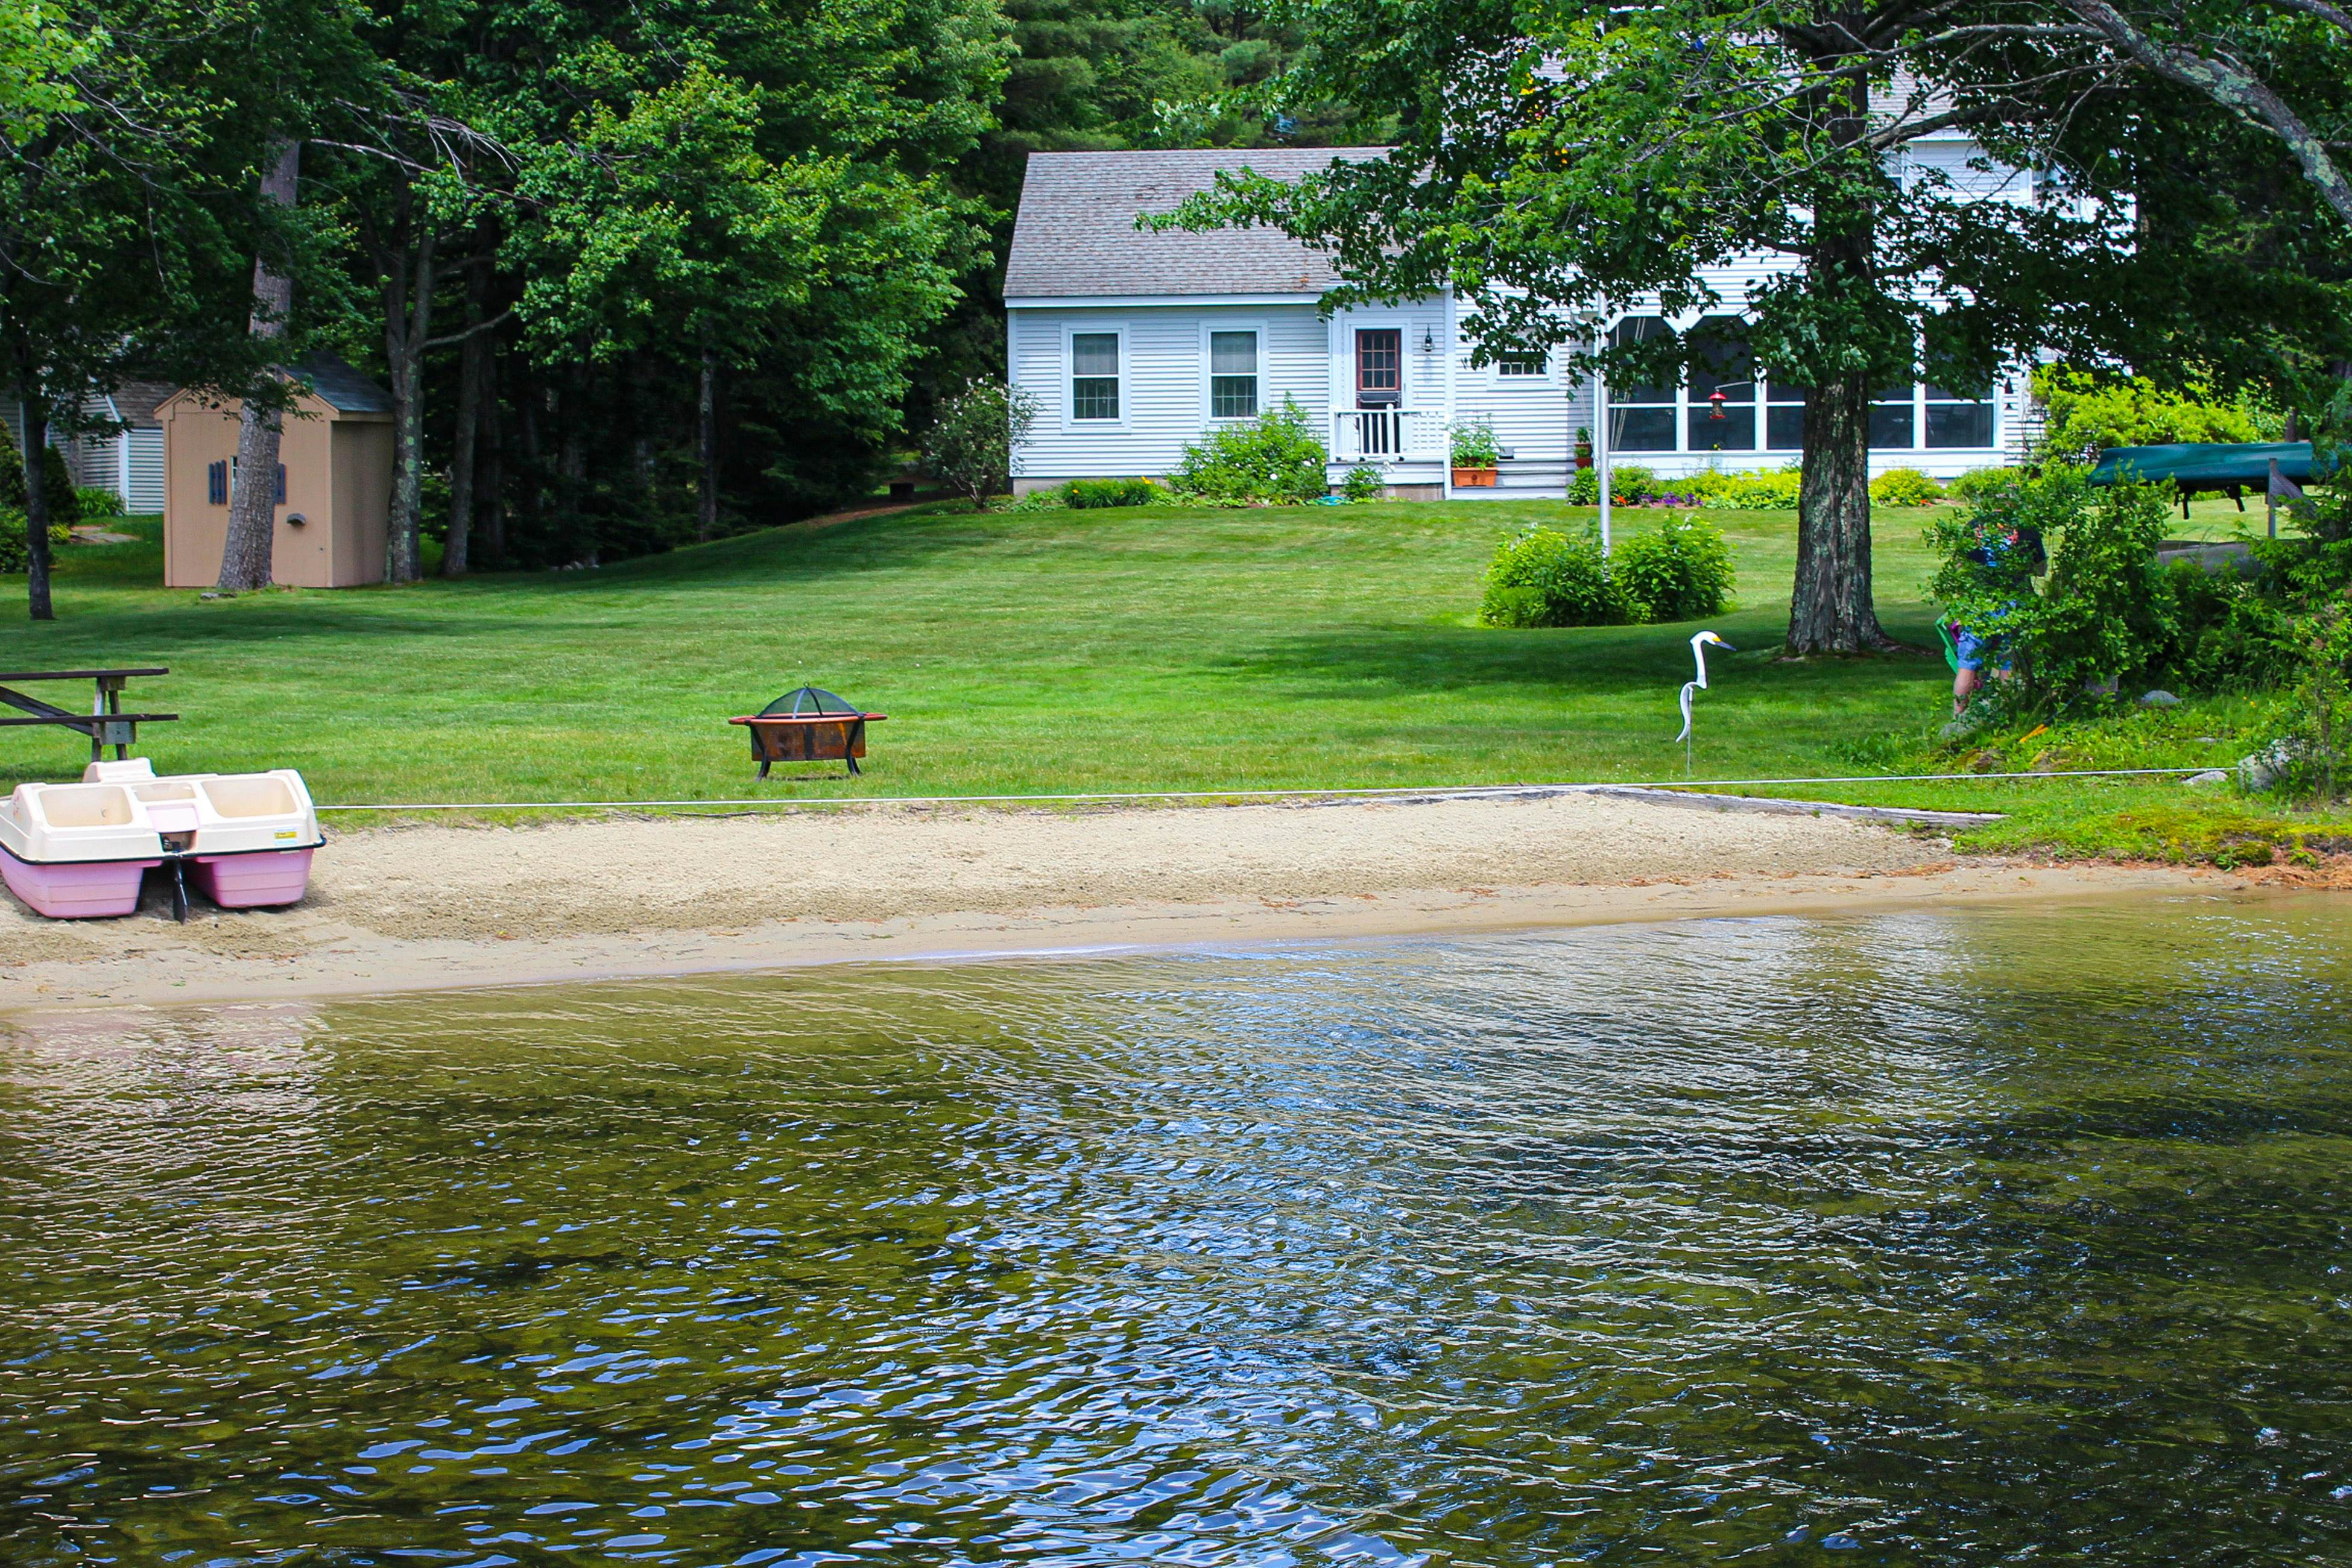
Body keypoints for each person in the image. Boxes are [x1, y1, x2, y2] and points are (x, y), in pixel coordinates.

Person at [1949, 516, 2044, 718]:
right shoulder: (2027, 530)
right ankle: (2006, 715)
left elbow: (1959, 566)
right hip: (2014, 604)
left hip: (1979, 605)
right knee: (2008, 662)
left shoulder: (1974, 527)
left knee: (1967, 665)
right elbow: (2041, 570)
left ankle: (1959, 718)